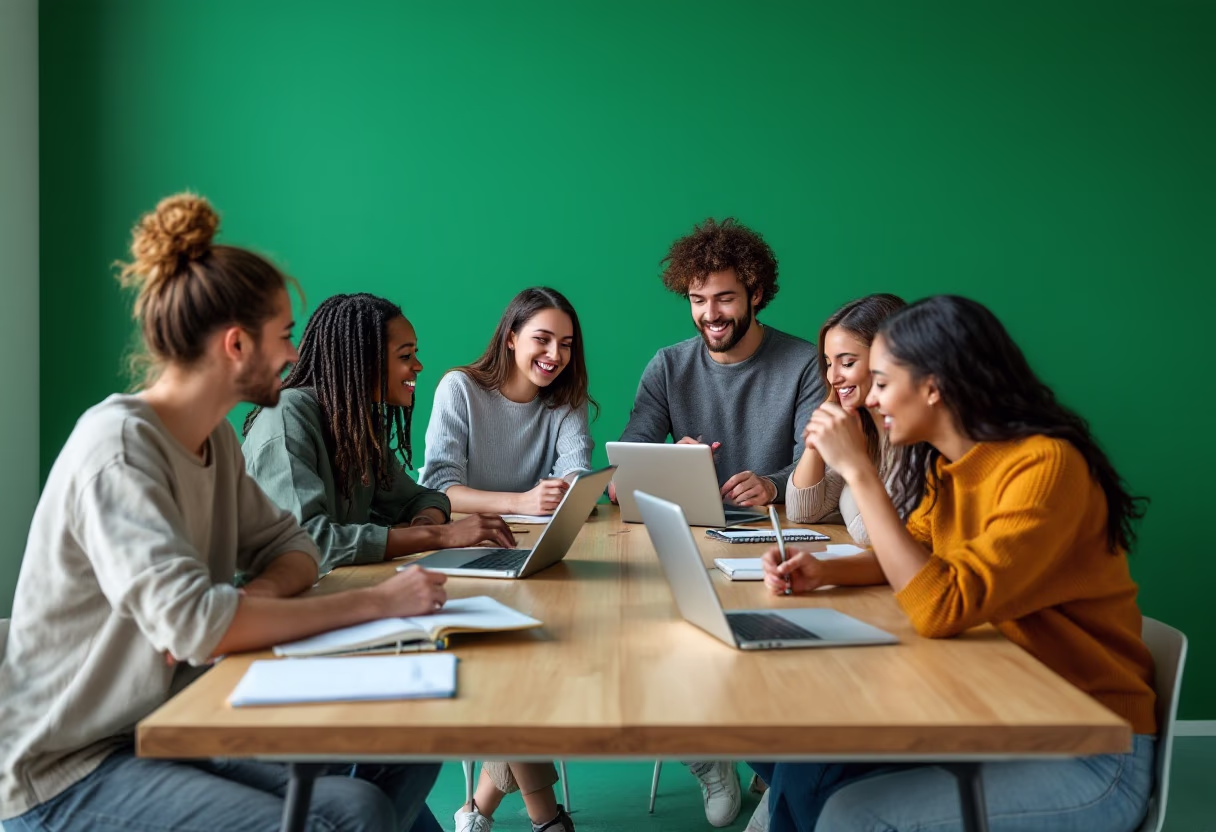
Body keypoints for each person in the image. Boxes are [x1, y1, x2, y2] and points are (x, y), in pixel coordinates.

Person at [0, 194, 446, 832]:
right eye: (285, 337)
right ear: (236, 344)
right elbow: (198, 628)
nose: (294, 355)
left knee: (390, 771)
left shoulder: (215, 441)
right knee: (347, 818)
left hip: (165, 724)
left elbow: (295, 548)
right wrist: (376, 603)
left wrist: (247, 599)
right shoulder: (119, 450)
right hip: (69, 767)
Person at [750, 295, 1156, 832]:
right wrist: (822, 570)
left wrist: (860, 472)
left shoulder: (1044, 466)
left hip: (1086, 747)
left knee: (849, 812)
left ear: (933, 386)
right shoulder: (949, 467)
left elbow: (941, 606)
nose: (872, 398)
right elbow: (913, 558)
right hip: (995, 713)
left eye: (882, 382)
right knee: (802, 753)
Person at [614, 217, 824, 828]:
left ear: (756, 292)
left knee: (787, 649)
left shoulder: (804, 363)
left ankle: (771, 765)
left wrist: (774, 484)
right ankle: (711, 755)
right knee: (635, 640)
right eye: (697, 299)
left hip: (772, 541)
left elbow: (819, 464)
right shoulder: (667, 366)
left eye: (725, 298)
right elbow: (623, 471)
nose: (710, 314)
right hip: (687, 541)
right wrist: (667, 460)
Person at [243, 293, 516, 574]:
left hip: (335, 585)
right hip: (270, 595)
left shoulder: (356, 424)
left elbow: (422, 499)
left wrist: (421, 525)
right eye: (405, 356)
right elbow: (308, 542)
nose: (418, 366)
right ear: (364, 361)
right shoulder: (286, 416)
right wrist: (439, 536)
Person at [422, 286, 595, 518]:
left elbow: (575, 468)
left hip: (536, 532)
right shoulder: (459, 388)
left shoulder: (568, 398)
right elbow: (439, 489)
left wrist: (572, 489)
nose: (555, 355)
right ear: (511, 338)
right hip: (467, 531)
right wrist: (520, 502)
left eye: (565, 344)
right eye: (542, 339)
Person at [786, 293, 906, 545]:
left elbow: (871, 535)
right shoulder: (861, 427)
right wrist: (823, 419)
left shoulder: (913, 437)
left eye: (848, 363)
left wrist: (854, 463)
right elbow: (802, 511)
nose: (833, 377)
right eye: (829, 364)